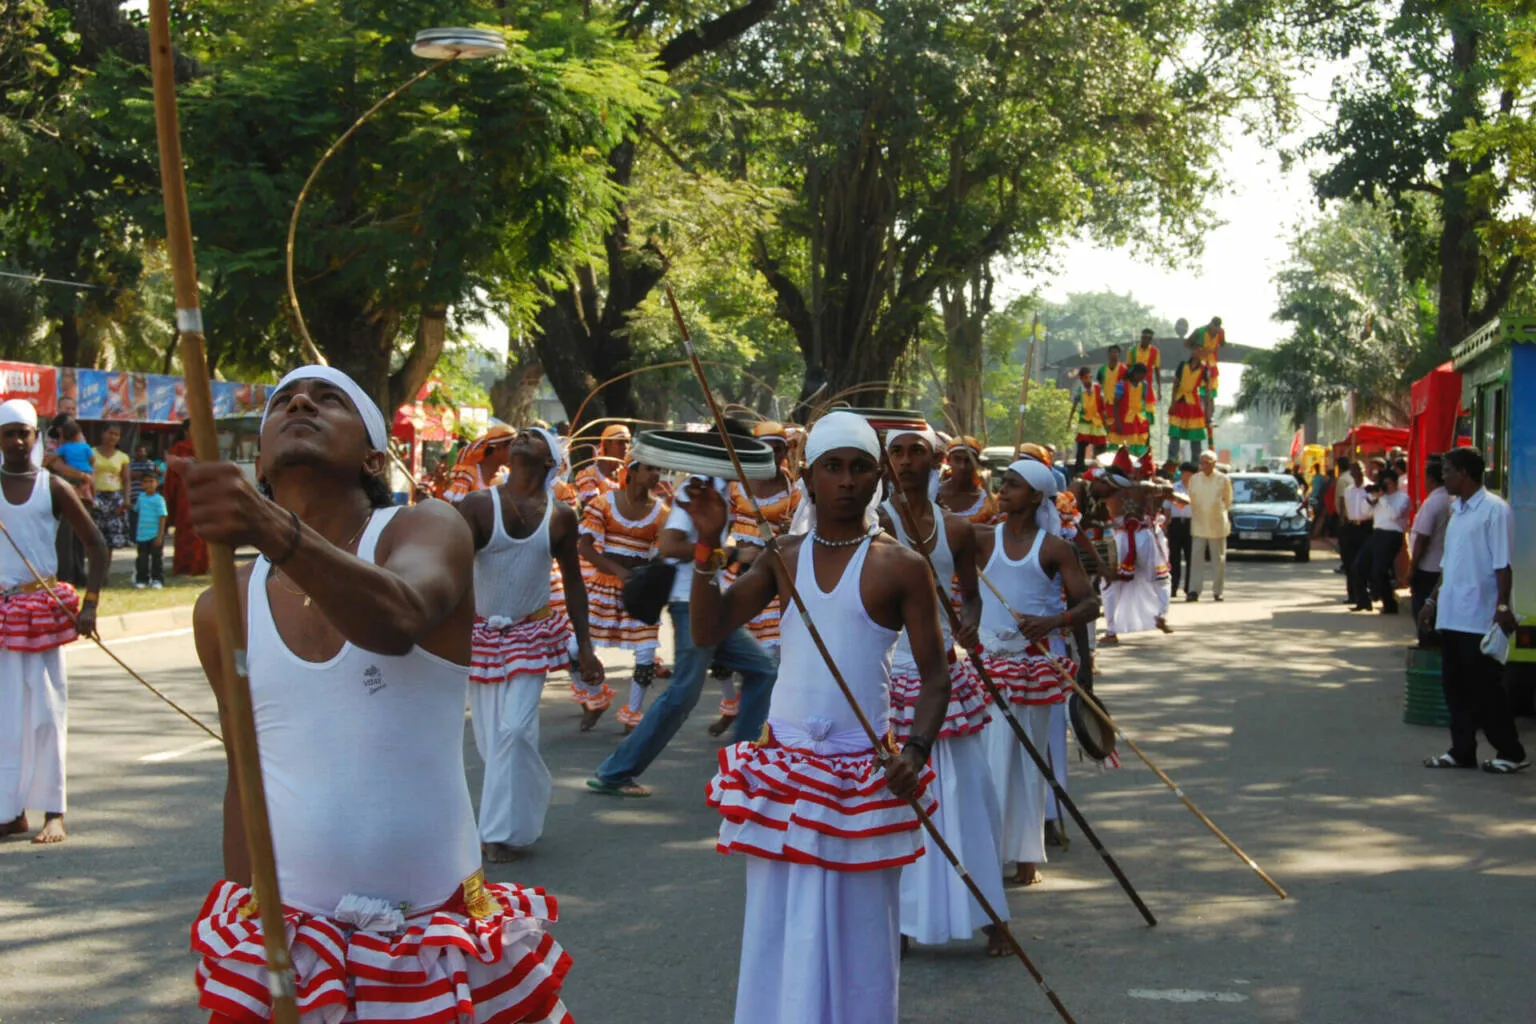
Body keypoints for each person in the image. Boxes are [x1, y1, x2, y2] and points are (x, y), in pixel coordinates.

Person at [179, 366, 573, 1021]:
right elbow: (245, 776)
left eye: (329, 398)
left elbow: (397, 620)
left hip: (431, 940)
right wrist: (242, 927)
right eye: (283, 402)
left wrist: (270, 528)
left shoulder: (424, 529)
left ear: (373, 454)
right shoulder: (222, 606)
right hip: (292, 945)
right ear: (259, 459)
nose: (300, 401)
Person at [691, 411, 950, 1024]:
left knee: (861, 932)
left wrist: (914, 751)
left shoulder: (902, 566)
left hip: (862, 774)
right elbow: (707, 629)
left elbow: (936, 676)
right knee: (777, 926)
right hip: (784, 771)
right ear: (807, 478)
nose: (846, 481)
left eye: (860, 467)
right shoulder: (782, 556)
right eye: (832, 467)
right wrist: (705, 546)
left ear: (879, 475)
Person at [880, 425, 1007, 956]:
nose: (907, 461)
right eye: (898, 453)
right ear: (886, 463)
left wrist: (969, 624)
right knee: (901, 799)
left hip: (945, 673)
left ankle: (993, 915)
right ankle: (905, 920)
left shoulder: (956, 530)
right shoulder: (874, 524)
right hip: (890, 670)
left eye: (917, 453)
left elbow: (971, 597)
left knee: (967, 795)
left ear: (938, 462)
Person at [459, 427, 604, 863]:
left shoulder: (561, 516)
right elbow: (450, 568)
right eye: (522, 434)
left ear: (549, 462)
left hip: (531, 634)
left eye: (537, 437)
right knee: (492, 743)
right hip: (481, 635)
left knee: (515, 732)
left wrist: (587, 646)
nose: (524, 436)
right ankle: (526, 802)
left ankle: (496, 834)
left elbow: (575, 583)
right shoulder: (477, 505)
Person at [586, 474, 779, 798]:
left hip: (709, 601)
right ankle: (615, 772)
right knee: (682, 695)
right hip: (689, 604)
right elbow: (670, 544)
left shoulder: (722, 488)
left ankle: (740, 770)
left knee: (762, 670)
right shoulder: (698, 488)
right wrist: (729, 554)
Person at [977, 458, 1099, 886]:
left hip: (1032, 671)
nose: (1002, 490)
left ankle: (1026, 860)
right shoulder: (980, 539)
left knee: (1027, 766)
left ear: (1034, 495)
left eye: (1012, 484)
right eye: (1002, 483)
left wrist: (1051, 624)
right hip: (986, 668)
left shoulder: (1053, 548)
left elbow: (1089, 604)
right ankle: (986, 853)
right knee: (986, 764)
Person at [0, 399, 108, 847]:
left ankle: (54, 812)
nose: (19, 441)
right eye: (10, 433)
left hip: (42, 611)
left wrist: (90, 605)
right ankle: (10, 813)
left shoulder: (54, 487)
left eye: (25, 432)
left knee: (47, 714)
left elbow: (97, 546)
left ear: (37, 436)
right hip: (4, 615)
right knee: (5, 719)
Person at [1419, 446, 1526, 774]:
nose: (1444, 477)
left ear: (1464, 473)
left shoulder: (1495, 509)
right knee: (1455, 689)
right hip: (1452, 615)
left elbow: (1503, 564)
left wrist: (1503, 605)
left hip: (1479, 617)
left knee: (1485, 692)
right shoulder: (1458, 510)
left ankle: (1511, 752)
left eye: (1448, 471)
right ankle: (1461, 750)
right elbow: (1449, 563)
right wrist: (1431, 601)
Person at [711, 421, 801, 735]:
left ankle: (765, 724)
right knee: (719, 647)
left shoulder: (795, 491)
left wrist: (793, 530)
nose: (774, 453)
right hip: (734, 572)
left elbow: (803, 537)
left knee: (771, 658)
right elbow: (719, 530)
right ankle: (730, 704)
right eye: (768, 447)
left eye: (779, 448)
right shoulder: (735, 484)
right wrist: (728, 555)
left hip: (774, 578)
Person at [577, 457, 667, 730]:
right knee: (573, 648)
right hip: (604, 584)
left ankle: (633, 716)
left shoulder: (662, 513)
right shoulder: (604, 503)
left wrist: (647, 577)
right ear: (632, 471)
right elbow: (585, 547)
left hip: (639, 590)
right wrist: (619, 572)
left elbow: (663, 554)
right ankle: (595, 698)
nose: (655, 474)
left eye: (658, 469)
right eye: (650, 468)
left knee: (646, 653)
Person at [1409, 457, 1451, 645]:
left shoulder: (1433, 503)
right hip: (1441, 566)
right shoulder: (1451, 500)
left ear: (1431, 480)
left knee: (1423, 610)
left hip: (1428, 568)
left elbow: (1422, 538)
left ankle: (1427, 645)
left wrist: (1412, 567)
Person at [160, 422, 209, 576]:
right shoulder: (179, 448)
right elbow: (172, 478)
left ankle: (200, 565)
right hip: (184, 495)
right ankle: (184, 566)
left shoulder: (205, 448)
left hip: (202, 494)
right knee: (186, 531)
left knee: (202, 531)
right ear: (185, 431)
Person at [1360, 468, 1409, 614]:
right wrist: (1372, 498)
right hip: (1377, 533)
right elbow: (1365, 512)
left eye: (1387, 484)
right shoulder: (1380, 497)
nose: (1385, 487)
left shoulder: (1402, 497)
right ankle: (1364, 601)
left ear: (1395, 483)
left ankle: (1389, 604)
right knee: (1360, 565)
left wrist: (1382, 498)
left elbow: (1394, 514)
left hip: (1393, 534)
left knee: (1380, 570)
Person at [1186, 449, 1232, 602]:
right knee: (1196, 559)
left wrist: (1219, 513)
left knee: (1218, 560)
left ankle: (1218, 591)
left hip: (1217, 524)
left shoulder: (1223, 479)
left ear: (1214, 463)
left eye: (1207, 462)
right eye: (1202, 462)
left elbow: (1228, 501)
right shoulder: (1194, 479)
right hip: (1199, 523)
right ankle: (1194, 590)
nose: (1204, 465)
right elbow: (1191, 499)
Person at [441, 424, 515, 503]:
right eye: (512, 447)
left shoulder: (506, 474)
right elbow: (456, 508)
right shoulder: (468, 474)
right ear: (499, 448)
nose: (515, 452)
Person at [90, 424, 133, 549]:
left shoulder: (123, 457)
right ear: (103, 433)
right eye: (110, 433)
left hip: (115, 499)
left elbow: (126, 480)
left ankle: (105, 568)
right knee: (95, 538)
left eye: (116, 434)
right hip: (96, 496)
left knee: (111, 541)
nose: (113, 437)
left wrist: (126, 500)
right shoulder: (91, 452)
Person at [936, 436, 997, 523]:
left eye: (968, 461)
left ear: (976, 463)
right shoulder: (932, 494)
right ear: (949, 461)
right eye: (957, 459)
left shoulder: (990, 503)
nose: (962, 466)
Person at [1165, 352, 1209, 462]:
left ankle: (1196, 464)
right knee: (1174, 435)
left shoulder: (1204, 369)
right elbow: (1175, 384)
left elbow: (1207, 391)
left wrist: (1207, 411)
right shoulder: (1182, 365)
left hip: (1193, 404)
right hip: (1179, 403)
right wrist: (1173, 403)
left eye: (1200, 350)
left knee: (1196, 437)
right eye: (1196, 349)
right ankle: (1172, 462)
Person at [574, 423, 630, 505]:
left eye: (628, 442)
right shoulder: (590, 475)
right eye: (620, 442)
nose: (626, 447)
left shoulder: (627, 473)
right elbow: (595, 508)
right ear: (607, 444)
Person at [133, 471, 168, 590]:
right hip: (142, 535)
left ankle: (157, 579)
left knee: (156, 559)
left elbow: (162, 517)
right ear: (141, 484)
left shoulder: (159, 500)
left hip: (155, 534)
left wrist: (160, 536)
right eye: (145, 482)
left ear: (157, 483)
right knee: (142, 559)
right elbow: (136, 511)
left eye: (151, 481)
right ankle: (142, 579)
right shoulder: (141, 498)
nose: (148, 484)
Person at [1165, 462, 1195, 597]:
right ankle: (1173, 586)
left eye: (1189, 474)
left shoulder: (1197, 489)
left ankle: (1190, 588)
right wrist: (1166, 524)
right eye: (1184, 474)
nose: (1186, 477)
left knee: (1191, 557)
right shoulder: (1173, 488)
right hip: (1176, 524)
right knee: (1174, 557)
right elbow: (1167, 508)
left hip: (1192, 524)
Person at [1109, 364, 1152, 455]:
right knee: (1121, 446)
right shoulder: (1122, 385)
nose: (1143, 377)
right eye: (1142, 375)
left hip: (1139, 420)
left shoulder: (1144, 385)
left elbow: (1142, 402)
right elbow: (1115, 404)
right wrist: (1117, 423)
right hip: (1123, 420)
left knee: (1138, 446)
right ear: (1135, 373)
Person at [1070, 366, 1107, 471]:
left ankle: (1101, 466)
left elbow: (1103, 406)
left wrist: (1106, 422)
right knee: (1082, 444)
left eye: (1089, 377)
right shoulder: (1079, 390)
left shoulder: (1098, 388)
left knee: (1101, 444)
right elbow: (1074, 405)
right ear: (1081, 379)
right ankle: (1079, 467)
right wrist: (1070, 420)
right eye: (1084, 378)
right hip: (1085, 420)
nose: (1087, 380)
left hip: (1097, 419)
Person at [1128, 327, 1161, 406]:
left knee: (1147, 411)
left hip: (1148, 385)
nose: (1145, 340)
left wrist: (1159, 390)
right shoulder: (1132, 350)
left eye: (1148, 338)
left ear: (1151, 340)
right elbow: (1128, 368)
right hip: (1133, 385)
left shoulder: (1155, 351)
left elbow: (1157, 370)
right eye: (1144, 337)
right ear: (1141, 337)